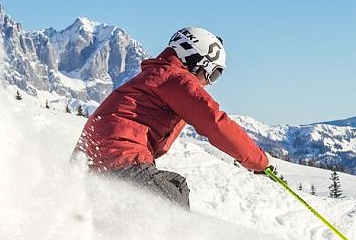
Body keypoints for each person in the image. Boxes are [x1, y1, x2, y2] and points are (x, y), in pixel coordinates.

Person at [74, 27, 271, 210]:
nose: (209, 83)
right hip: (121, 158)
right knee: (174, 190)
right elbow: (215, 122)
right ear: (196, 62)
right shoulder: (176, 80)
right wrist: (260, 162)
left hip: (91, 162)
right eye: (213, 74)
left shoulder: (154, 76)